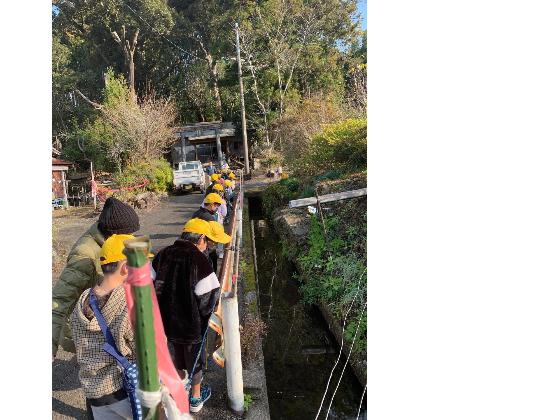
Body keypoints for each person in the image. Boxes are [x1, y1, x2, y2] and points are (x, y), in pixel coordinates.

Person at [152, 218, 231, 413]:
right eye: (207, 242)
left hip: (163, 323)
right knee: (195, 360)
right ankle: (195, 398)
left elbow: (149, 286)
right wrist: (204, 317)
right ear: (201, 238)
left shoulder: (162, 254)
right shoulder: (200, 261)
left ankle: (174, 396)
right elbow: (209, 298)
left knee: (172, 360)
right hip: (190, 326)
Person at [53, 197, 140, 359]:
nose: (131, 237)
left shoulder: (111, 244)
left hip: (105, 320)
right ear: (114, 233)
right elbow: (58, 302)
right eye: (128, 234)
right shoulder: (85, 254)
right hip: (89, 328)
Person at [70, 234, 138, 420]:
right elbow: (143, 350)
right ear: (125, 267)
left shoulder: (83, 298)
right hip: (123, 390)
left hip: (95, 394)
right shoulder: (127, 303)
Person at [192, 193, 226, 272]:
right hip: (205, 245)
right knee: (210, 267)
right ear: (211, 205)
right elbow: (214, 234)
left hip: (195, 243)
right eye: (217, 205)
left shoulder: (197, 213)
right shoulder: (209, 217)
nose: (217, 208)